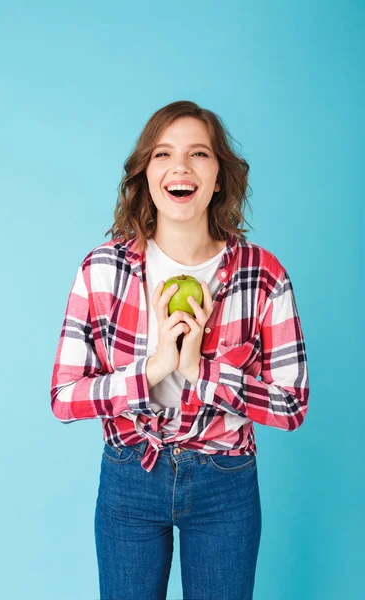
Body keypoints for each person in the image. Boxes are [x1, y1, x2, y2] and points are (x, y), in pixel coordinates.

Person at [50, 100, 310, 600]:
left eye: (199, 154)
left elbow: (292, 405)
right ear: (146, 174)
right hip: (130, 474)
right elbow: (64, 396)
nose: (181, 166)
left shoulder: (264, 276)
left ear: (219, 178)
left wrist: (200, 372)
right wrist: (156, 368)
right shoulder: (102, 270)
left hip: (225, 482)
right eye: (163, 153)